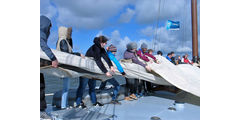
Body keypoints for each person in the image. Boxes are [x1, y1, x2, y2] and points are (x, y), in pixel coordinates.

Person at [75, 36, 114, 108]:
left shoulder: (101, 48)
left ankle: (94, 102)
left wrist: (110, 66)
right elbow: (98, 60)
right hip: (85, 71)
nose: (106, 44)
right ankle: (78, 103)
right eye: (105, 43)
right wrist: (105, 72)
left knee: (92, 87)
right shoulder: (95, 48)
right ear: (101, 42)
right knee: (82, 87)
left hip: (92, 71)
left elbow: (106, 57)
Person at [55, 26, 85, 109]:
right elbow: (67, 55)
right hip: (65, 68)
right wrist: (78, 54)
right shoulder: (63, 41)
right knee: (66, 88)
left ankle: (65, 104)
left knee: (65, 87)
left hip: (62, 67)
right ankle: (64, 105)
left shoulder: (59, 41)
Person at [40, 15, 58, 119]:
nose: (50, 30)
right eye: (50, 27)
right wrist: (53, 58)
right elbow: (42, 45)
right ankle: (40, 111)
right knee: (40, 87)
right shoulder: (40, 32)